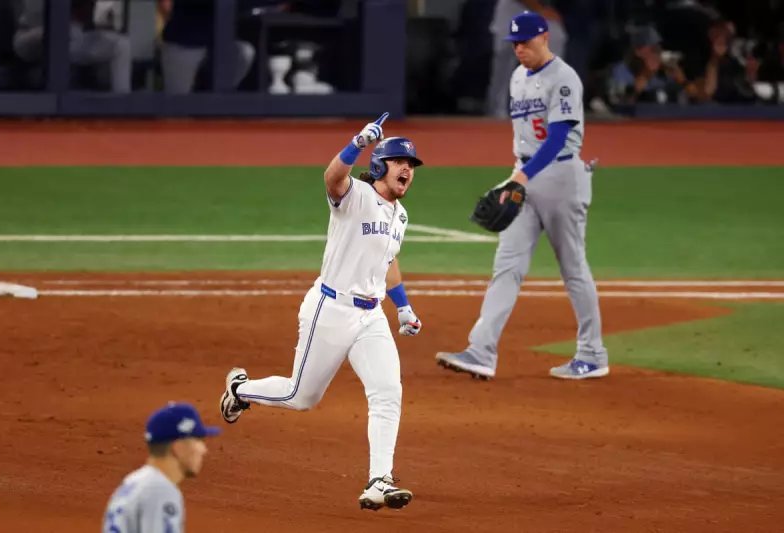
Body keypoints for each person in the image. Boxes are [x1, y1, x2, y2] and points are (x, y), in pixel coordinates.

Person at [219, 113, 423, 511]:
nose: (407, 170)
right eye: (399, 161)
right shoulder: (353, 195)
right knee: (301, 396)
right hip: (330, 309)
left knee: (387, 393)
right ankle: (239, 390)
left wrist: (403, 307)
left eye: (412, 165)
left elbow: (389, 261)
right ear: (379, 165)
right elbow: (331, 178)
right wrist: (356, 143)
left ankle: (379, 481)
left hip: (371, 316)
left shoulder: (400, 215)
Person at [436, 11, 609, 381]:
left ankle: (593, 354)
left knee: (573, 267)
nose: (519, 49)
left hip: (561, 176)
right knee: (507, 265)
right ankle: (481, 351)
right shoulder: (517, 77)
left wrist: (519, 178)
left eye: (525, 42)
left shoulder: (564, 78)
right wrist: (518, 177)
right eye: (514, 43)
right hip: (525, 176)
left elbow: (558, 138)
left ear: (544, 38)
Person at [101, 402, 221, 533]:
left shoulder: (131, 482)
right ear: (178, 448)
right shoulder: (160, 491)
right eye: (198, 441)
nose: (204, 450)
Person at [12, 0, 132, 93]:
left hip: (74, 38)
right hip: (32, 36)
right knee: (64, 31)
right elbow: (21, 42)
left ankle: (123, 108)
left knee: (121, 45)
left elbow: (86, 24)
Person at [487, 0, 567, 118]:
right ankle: (497, 113)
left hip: (539, 11)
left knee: (553, 42)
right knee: (505, 65)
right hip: (514, 10)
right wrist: (539, 10)